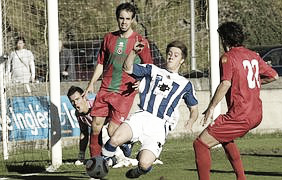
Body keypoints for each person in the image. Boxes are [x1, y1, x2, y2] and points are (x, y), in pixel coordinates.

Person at [193, 22, 278, 180]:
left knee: (200, 144)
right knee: (225, 138)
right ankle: (241, 178)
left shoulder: (228, 57)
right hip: (256, 114)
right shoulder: (253, 55)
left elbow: (225, 83)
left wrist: (211, 108)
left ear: (224, 40)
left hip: (240, 115)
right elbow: (274, 76)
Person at [101, 40, 199, 179]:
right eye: (169, 53)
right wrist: (133, 52)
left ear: (182, 60)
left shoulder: (185, 84)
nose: (171, 57)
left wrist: (191, 121)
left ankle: (139, 170)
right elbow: (127, 68)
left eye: (176, 55)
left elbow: (194, 108)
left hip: (158, 127)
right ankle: (101, 167)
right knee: (114, 139)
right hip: (142, 116)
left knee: (144, 163)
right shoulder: (153, 70)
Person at [83, 2, 152, 158]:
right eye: (121, 18)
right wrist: (91, 83)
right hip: (106, 88)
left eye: (127, 19)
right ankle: (96, 163)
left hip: (124, 92)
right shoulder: (109, 38)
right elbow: (101, 62)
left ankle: (128, 141)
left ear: (133, 19)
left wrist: (141, 82)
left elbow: (149, 67)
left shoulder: (140, 41)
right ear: (117, 18)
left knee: (112, 131)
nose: (124, 22)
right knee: (95, 127)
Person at [67, 86, 137, 167]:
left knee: (102, 130)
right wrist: (81, 155)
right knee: (105, 159)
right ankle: (124, 151)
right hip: (110, 136)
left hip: (120, 125)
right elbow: (84, 133)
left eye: (77, 99)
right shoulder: (79, 114)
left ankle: (121, 157)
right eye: (72, 101)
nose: (75, 104)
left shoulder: (96, 104)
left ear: (84, 97)